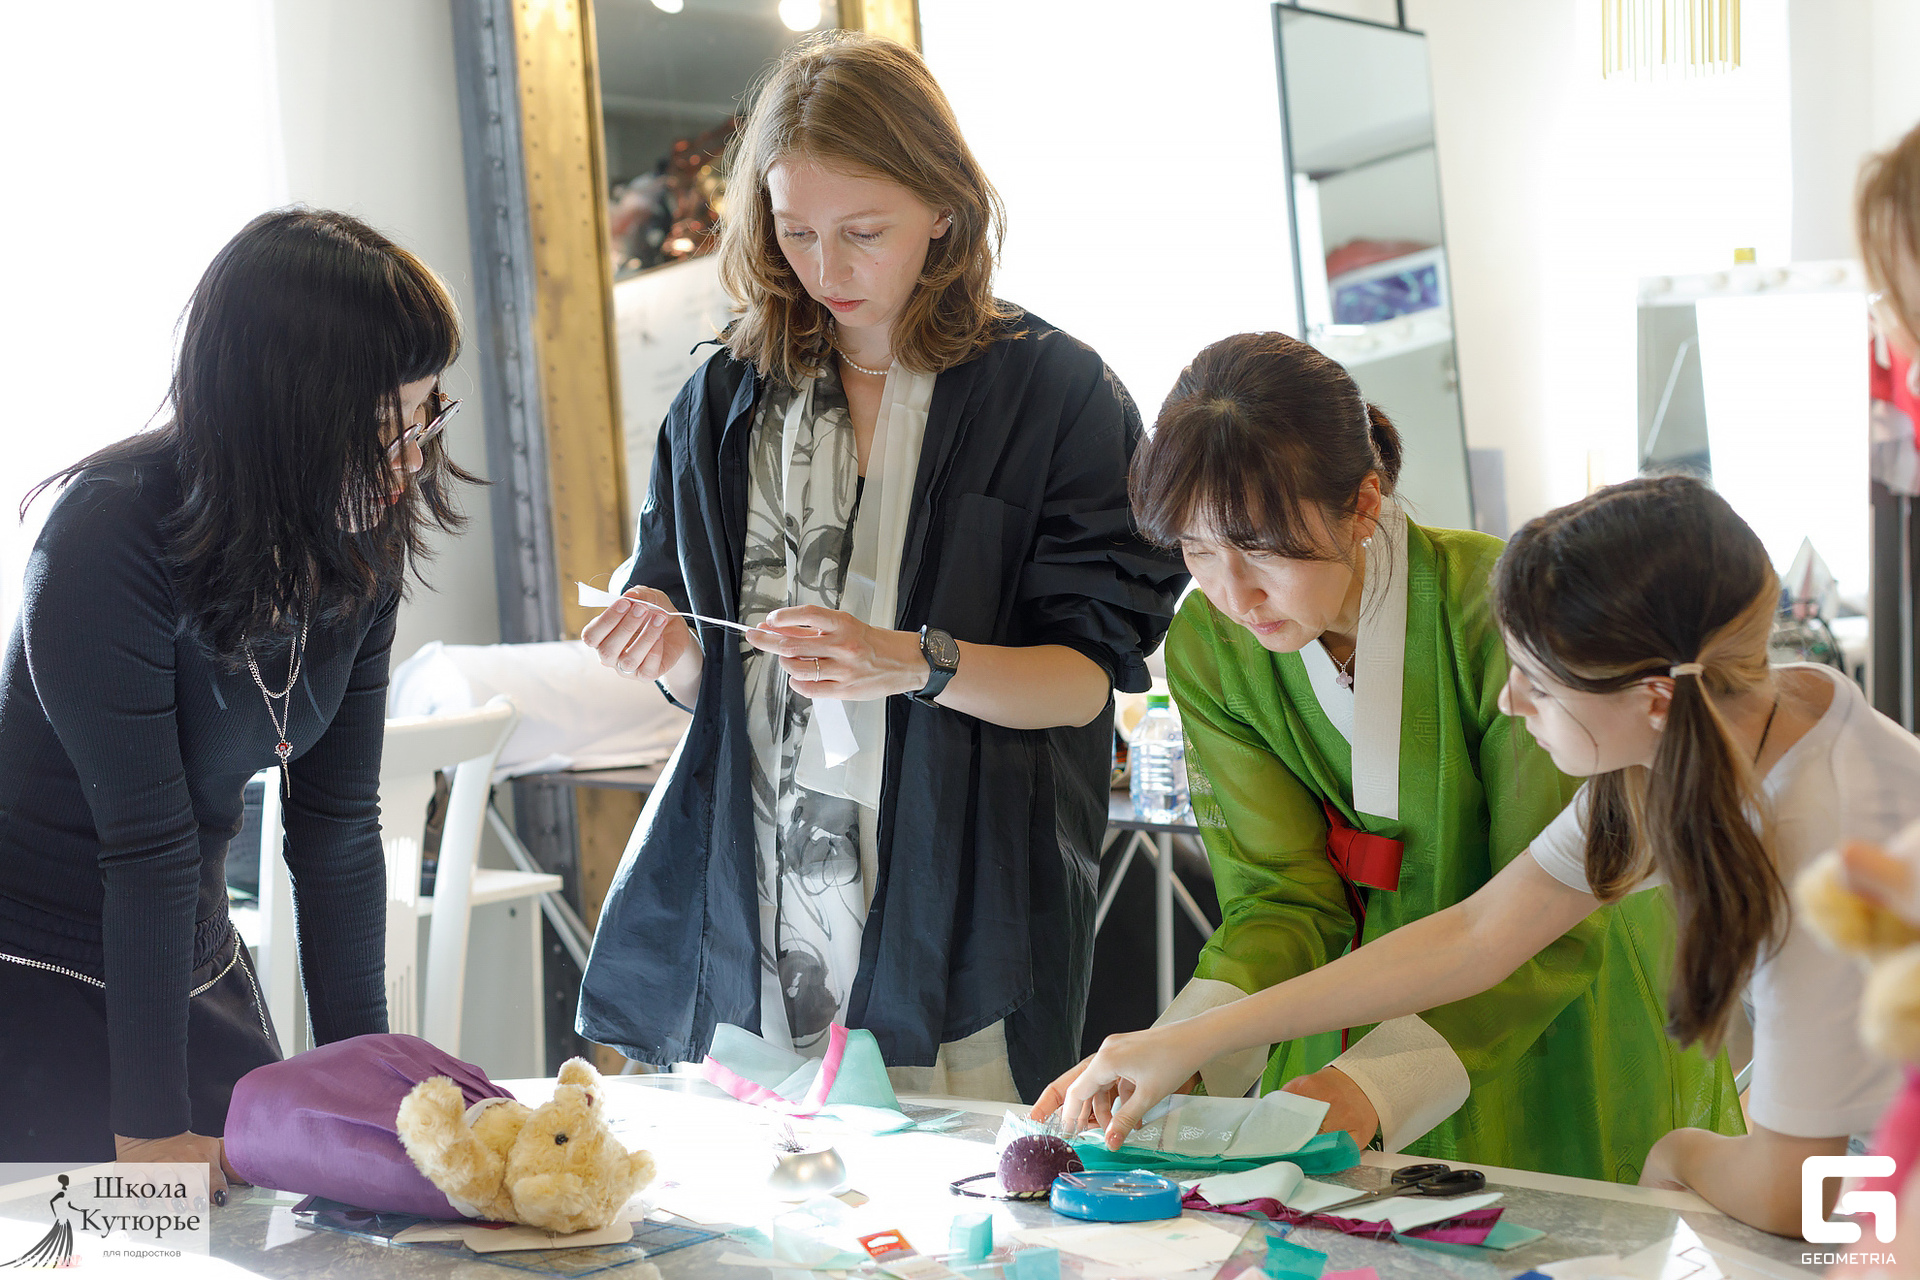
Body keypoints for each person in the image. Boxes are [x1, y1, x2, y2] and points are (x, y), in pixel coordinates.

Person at [1046, 475, 1910, 1236]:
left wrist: (1678, 1153)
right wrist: (1188, 1040)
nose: (1509, 702)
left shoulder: (1822, 846)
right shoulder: (1718, 725)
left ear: (1653, 696)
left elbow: (1797, 1193)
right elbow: (1478, 935)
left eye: (1539, 681)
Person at [574, 31, 1185, 1103]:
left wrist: (911, 661)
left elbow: (1084, 681)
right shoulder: (722, 402)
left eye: (864, 232)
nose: (827, 269)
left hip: (963, 909)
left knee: (960, 1194)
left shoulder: (1057, 398)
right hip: (752, 909)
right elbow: (713, 685)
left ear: (943, 206)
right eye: (796, 230)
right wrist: (666, 649)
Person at [1039, 334, 1737, 1182]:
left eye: (1262, 547)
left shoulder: (1501, 613)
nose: (1233, 593)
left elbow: (1533, 916)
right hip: (1346, 1003)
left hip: (1544, 992)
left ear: (1363, 503)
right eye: (1196, 550)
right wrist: (1181, 1052)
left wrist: (1378, 1081)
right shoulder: (1207, 648)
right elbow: (1281, 898)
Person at [0, 209, 476, 1193]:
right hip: (37, 974)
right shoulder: (104, 536)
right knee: (146, 1236)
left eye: (426, 413)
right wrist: (148, 1135)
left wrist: (374, 1086)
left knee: (308, 1213)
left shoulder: (362, 539)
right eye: (379, 427)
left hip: (190, 954)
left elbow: (338, 830)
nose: (411, 458)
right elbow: (146, 846)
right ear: (277, 412)